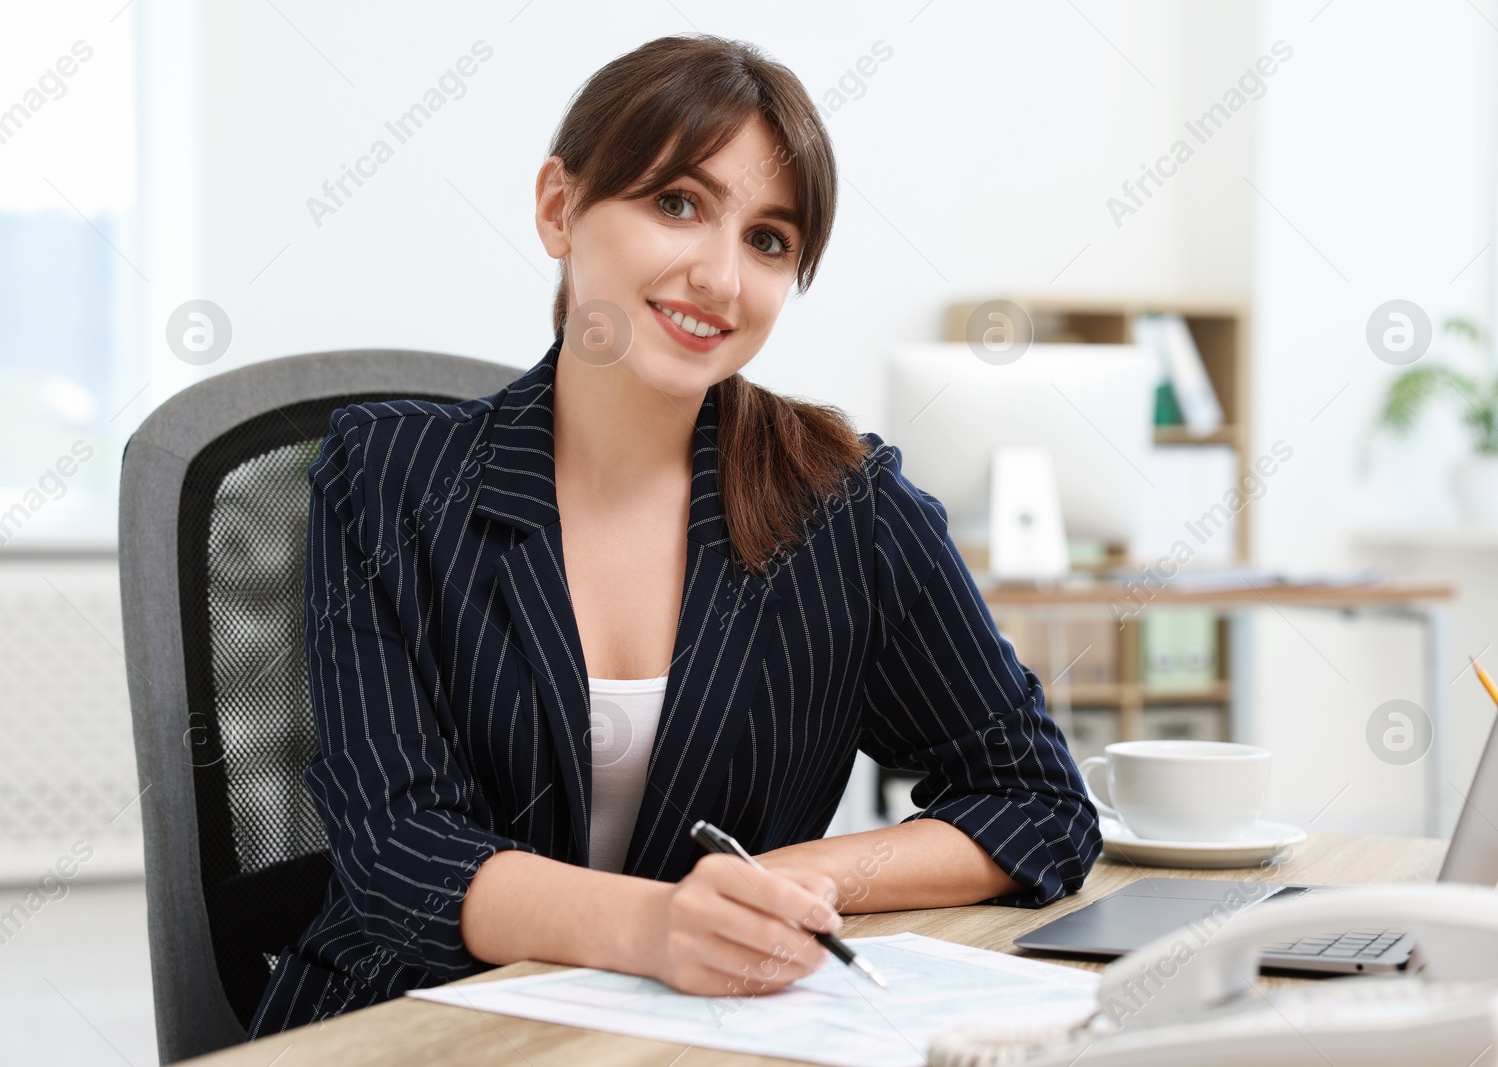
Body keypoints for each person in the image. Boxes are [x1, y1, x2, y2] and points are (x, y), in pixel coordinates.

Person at [249, 32, 1101, 1037]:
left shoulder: (846, 506)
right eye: (677, 203)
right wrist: (656, 922)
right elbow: (395, 844)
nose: (720, 277)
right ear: (559, 207)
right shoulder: (389, 475)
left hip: (703, 1032)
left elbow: (1036, 797)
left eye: (769, 240)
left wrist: (778, 879)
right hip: (415, 1024)